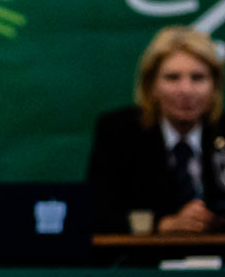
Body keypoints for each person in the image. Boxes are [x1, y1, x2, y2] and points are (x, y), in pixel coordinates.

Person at [86, 26, 224, 233]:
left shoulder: (221, 133)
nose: (186, 90)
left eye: (198, 78)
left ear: (214, 85)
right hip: (144, 262)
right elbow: (96, 213)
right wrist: (164, 225)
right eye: (172, 78)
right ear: (151, 85)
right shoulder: (119, 133)